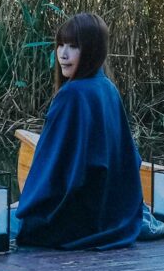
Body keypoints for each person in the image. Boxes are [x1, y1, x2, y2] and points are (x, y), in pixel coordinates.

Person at [11, 12, 146, 250]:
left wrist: (29, 210)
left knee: (2, 221)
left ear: (93, 50)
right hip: (110, 220)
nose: (63, 54)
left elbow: (51, 167)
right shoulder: (108, 88)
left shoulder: (72, 95)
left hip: (72, 224)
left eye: (73, 47)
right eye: (60, 45)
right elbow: (127, 160)